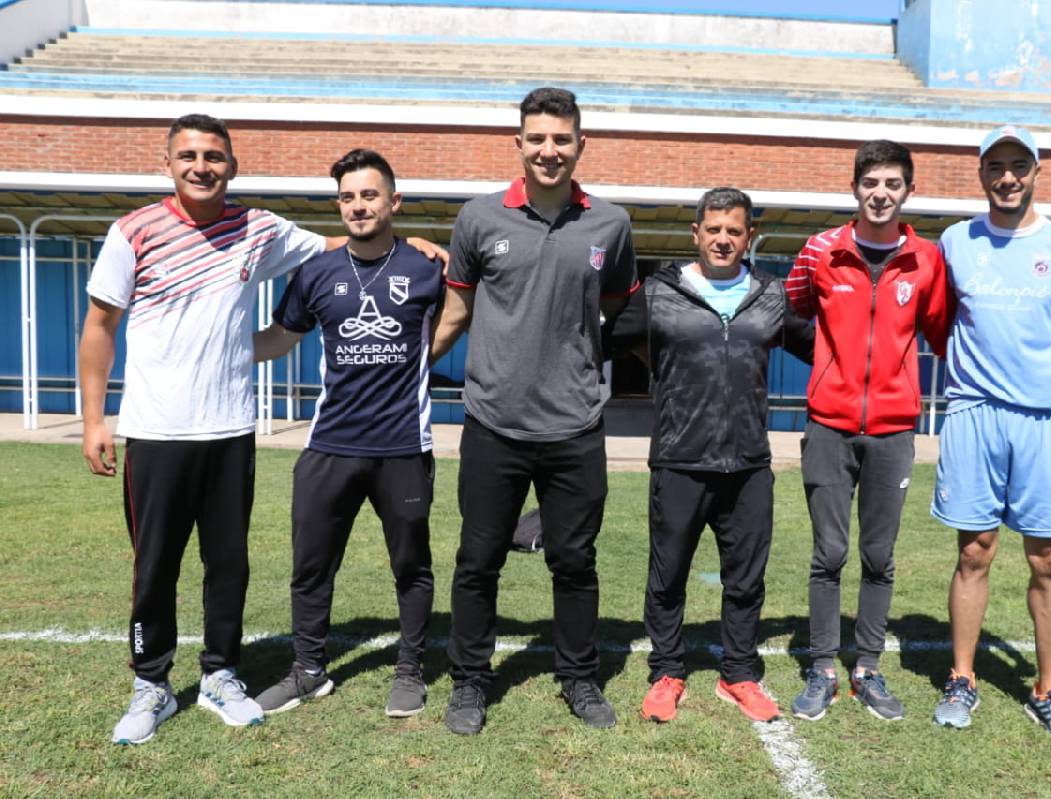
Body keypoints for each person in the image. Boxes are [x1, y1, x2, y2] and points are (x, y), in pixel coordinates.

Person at [79, 114, 444, 746]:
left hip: (229, 429)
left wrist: (415, 244)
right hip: (155, 429)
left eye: (214, 155)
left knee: (229, 565)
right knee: (155, 565)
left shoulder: (257, 229)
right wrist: (92, 421)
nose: (202, 165)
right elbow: (99, 326)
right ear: (167, 164)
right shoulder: (131, 231)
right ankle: (151, 684)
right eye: (189, 155)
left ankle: (221, 674)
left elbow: (341, 243)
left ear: (232, 166)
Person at [432, 87, 638, 735]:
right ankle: (470, 682)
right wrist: (404, 365)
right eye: (538, 139)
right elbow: (457, 310)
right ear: (518, 144)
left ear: (580, 145)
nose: (550, 151)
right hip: (494, 423)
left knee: (575, 561)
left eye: (561, 140)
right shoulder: (479, 219)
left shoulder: (611, 224)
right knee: (478, 559)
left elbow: (618, 309)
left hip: (576, 425)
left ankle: (579, 679)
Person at [931, 125, 1051, 745]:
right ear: (981, 173)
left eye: (1019, 165)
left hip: (1044, 423)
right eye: (996, 166)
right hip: (974, 414)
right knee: (975, 550)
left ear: (1036, 172)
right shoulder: (955, 242)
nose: (1007, 176)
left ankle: (1049, 690)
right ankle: (962, 678)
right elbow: (929, 319)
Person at [607, 187, 813, 724]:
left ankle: (739, 674)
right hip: (679, 459)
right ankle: (667, 671)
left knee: (745, 579)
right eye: (714, 229)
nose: (724, 239)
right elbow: (598, 341)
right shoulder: (658, 292)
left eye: (735, 231)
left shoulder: (770, 294)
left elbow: (820, 346)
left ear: (751, 238)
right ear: (696, 233)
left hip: (748, 464)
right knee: (668, 574)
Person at [249, 149, 442, 719]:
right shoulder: (315, 272)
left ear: (394, 201)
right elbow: (280, 339)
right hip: (329, 447)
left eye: (369, 195)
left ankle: (410, 671)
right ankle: (308, 671)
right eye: (348, 197)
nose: (358, 206)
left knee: (411, 565)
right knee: (311, 566)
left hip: (403, 447)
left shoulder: (427, 268)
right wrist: (214, 348)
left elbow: (463, 309)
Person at [785, 140, 952, 724]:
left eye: (893, 184)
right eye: (871, 182)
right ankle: (823, 668)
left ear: (909, 191)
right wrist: (832, 370)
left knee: (878, 555)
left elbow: (938, 330)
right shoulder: (820, 251)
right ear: (854, 187)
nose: (881, 193)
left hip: (893, 431)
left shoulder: (927, 260)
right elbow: (794, 311)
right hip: (828, 426)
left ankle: (869, 668)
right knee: (828, 552)